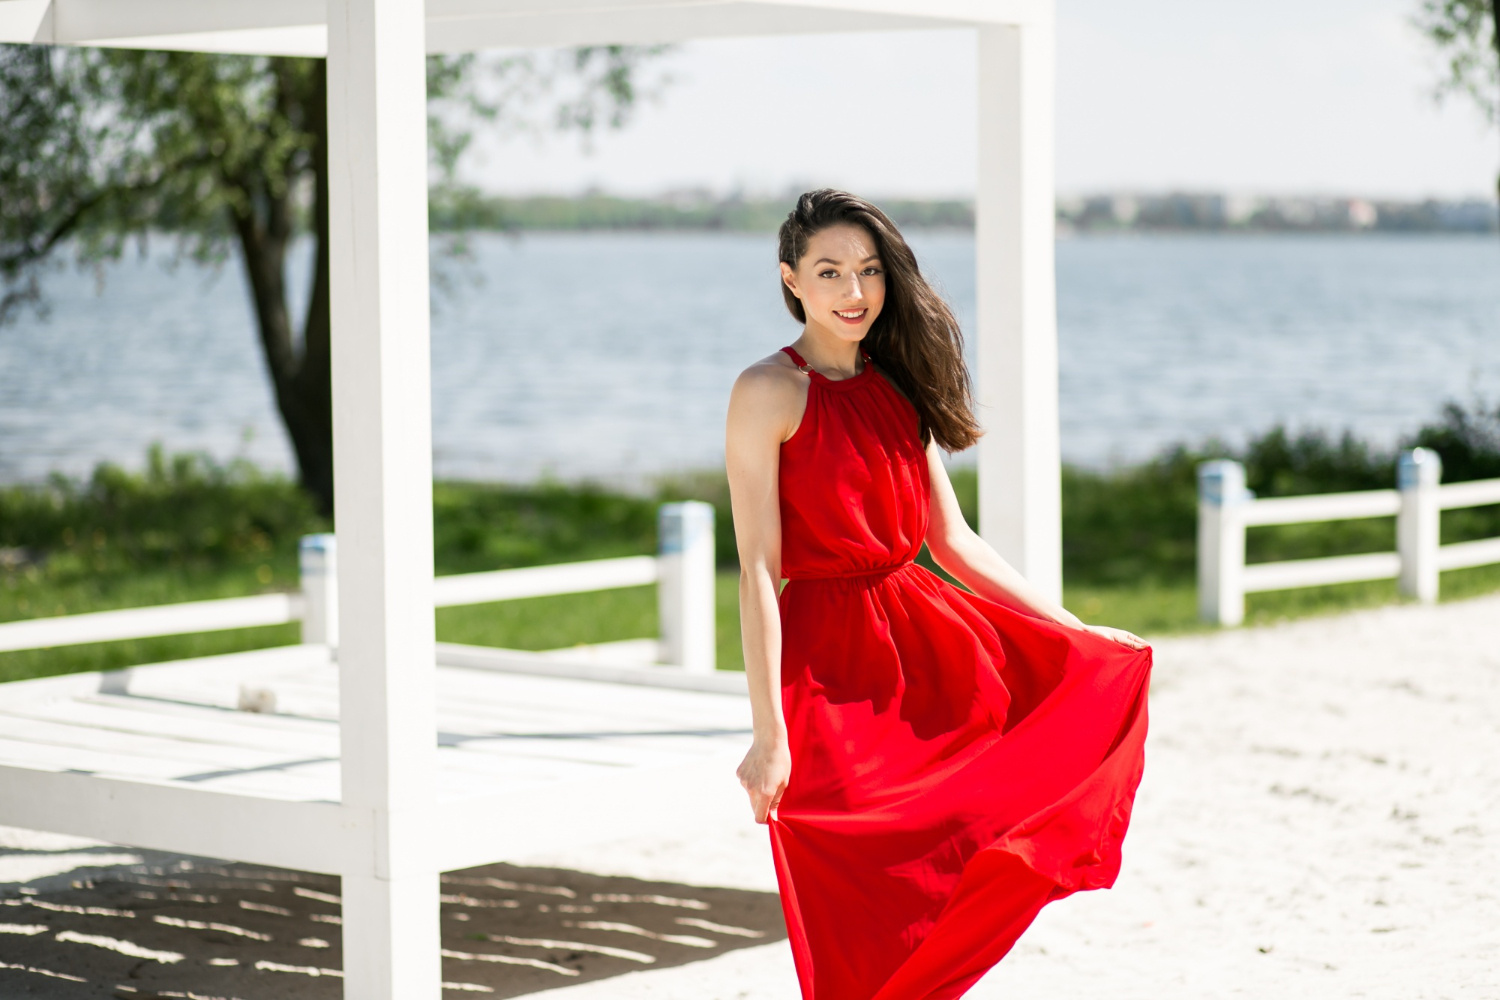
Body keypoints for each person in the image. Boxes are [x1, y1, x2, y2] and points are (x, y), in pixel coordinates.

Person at [724, 189, 1153, 1000]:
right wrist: (768, 734)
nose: (855, 293)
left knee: (957, 854)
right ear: (791, 280)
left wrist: (1073, 629)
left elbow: (952, 542)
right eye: (830, 273)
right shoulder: (766, 392)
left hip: (924, 640)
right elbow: (756, 567)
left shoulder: (898, 386)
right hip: (830, 659)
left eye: (869, 271)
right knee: (847, 868)